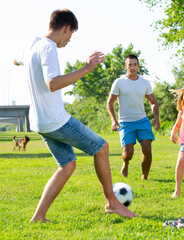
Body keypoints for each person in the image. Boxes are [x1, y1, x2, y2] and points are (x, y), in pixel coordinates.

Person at [14, 9, 137, 222]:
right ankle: (112, 203)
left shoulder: (32, 44)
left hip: (39, 121)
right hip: (55, 120)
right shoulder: (49, 48)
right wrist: (87, 68)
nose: (69, 40)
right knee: (101, 147)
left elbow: (16, 60)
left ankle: (38, 217)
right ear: (66, 28)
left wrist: (22, 64)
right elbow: (52, 84)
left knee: (68, 164)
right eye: (71, 34)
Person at [107, 55, 160, 180]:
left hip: (142, 120)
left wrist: (156, 119)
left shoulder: (144, 83)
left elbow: (153, 102)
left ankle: (144, 177)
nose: (132, 67)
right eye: (129, 64)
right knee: (128, 153)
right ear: (126, 66)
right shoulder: (119, 82)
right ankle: (126, 162)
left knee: (147, 149)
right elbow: (110, 102)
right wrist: (113, 120)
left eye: (135, 64)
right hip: (125, 122)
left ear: (138, 66)